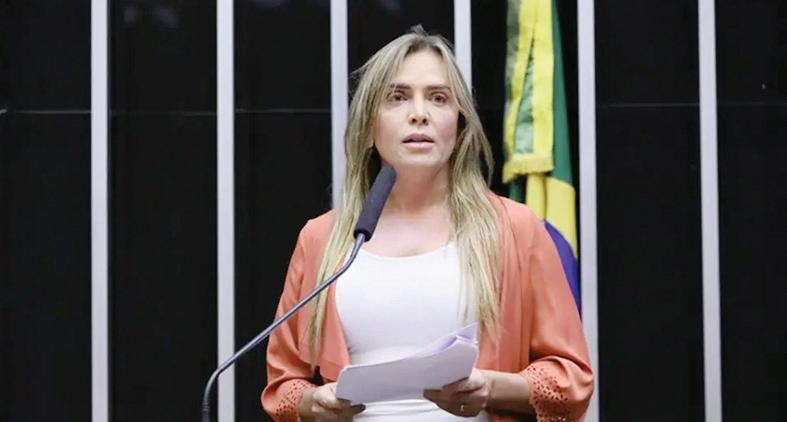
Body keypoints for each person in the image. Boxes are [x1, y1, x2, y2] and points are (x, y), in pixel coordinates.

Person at [262, 27, 593, 422]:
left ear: (459, 123)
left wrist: (490, 387)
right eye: (397, 97)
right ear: (368, 127)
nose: (419, 113)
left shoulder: (515, 229)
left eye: (438, 98)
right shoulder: (322, 238)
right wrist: (313, 403)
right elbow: (282, 388)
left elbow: (571, 381)